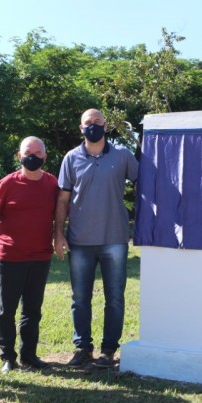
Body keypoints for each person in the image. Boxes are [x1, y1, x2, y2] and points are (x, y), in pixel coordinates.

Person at [55, 108, 139, 368]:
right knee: (80, 298)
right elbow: (63, 199)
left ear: (106, 126)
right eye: (88, 123)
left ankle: (108, 351)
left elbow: (144, 184)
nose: (93, 126)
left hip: (114, 238)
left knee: (115, 297)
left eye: (98, 122)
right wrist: (58, 232)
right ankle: (83, 348)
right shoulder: (71, 158)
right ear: (81, 128)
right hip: (80, 240)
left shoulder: (123, 155)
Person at [0, 136, 59, 373]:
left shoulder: (52, 183)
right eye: (29, 152)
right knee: (5, 310)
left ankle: (29, 356)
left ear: (45, 156)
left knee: (32, 309)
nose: (34, 157)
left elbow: (59, 216)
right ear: (19, 156)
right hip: (10, 257)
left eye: (39, 153)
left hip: (40, 257)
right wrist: (6, 240)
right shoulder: (8, 183)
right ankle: (8, 357)